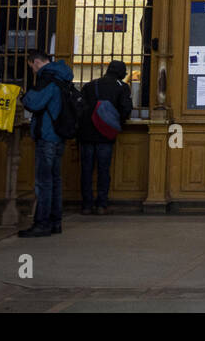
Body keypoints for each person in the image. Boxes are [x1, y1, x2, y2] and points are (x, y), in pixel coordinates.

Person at [19, 49, 74, 238]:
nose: (33, 71)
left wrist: (22, 96)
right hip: (59, 136)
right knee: (55, 180)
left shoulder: (48, 79)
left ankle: (42, 223)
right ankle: (55, 222)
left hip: (48, 135)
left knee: (44, 182)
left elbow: (34, 103)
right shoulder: (62, 77)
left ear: (35, 62)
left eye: (31, 67)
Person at [78, 59, 133, 215]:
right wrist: (118, 121)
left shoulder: (90, 85)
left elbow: (80, 108)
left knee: (86, 170)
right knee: (103, 170)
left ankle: (86, 205)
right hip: (105, 134)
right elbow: (125, 109)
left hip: (86, 134)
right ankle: (102, 204)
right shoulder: (122, 87)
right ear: (121, 73)